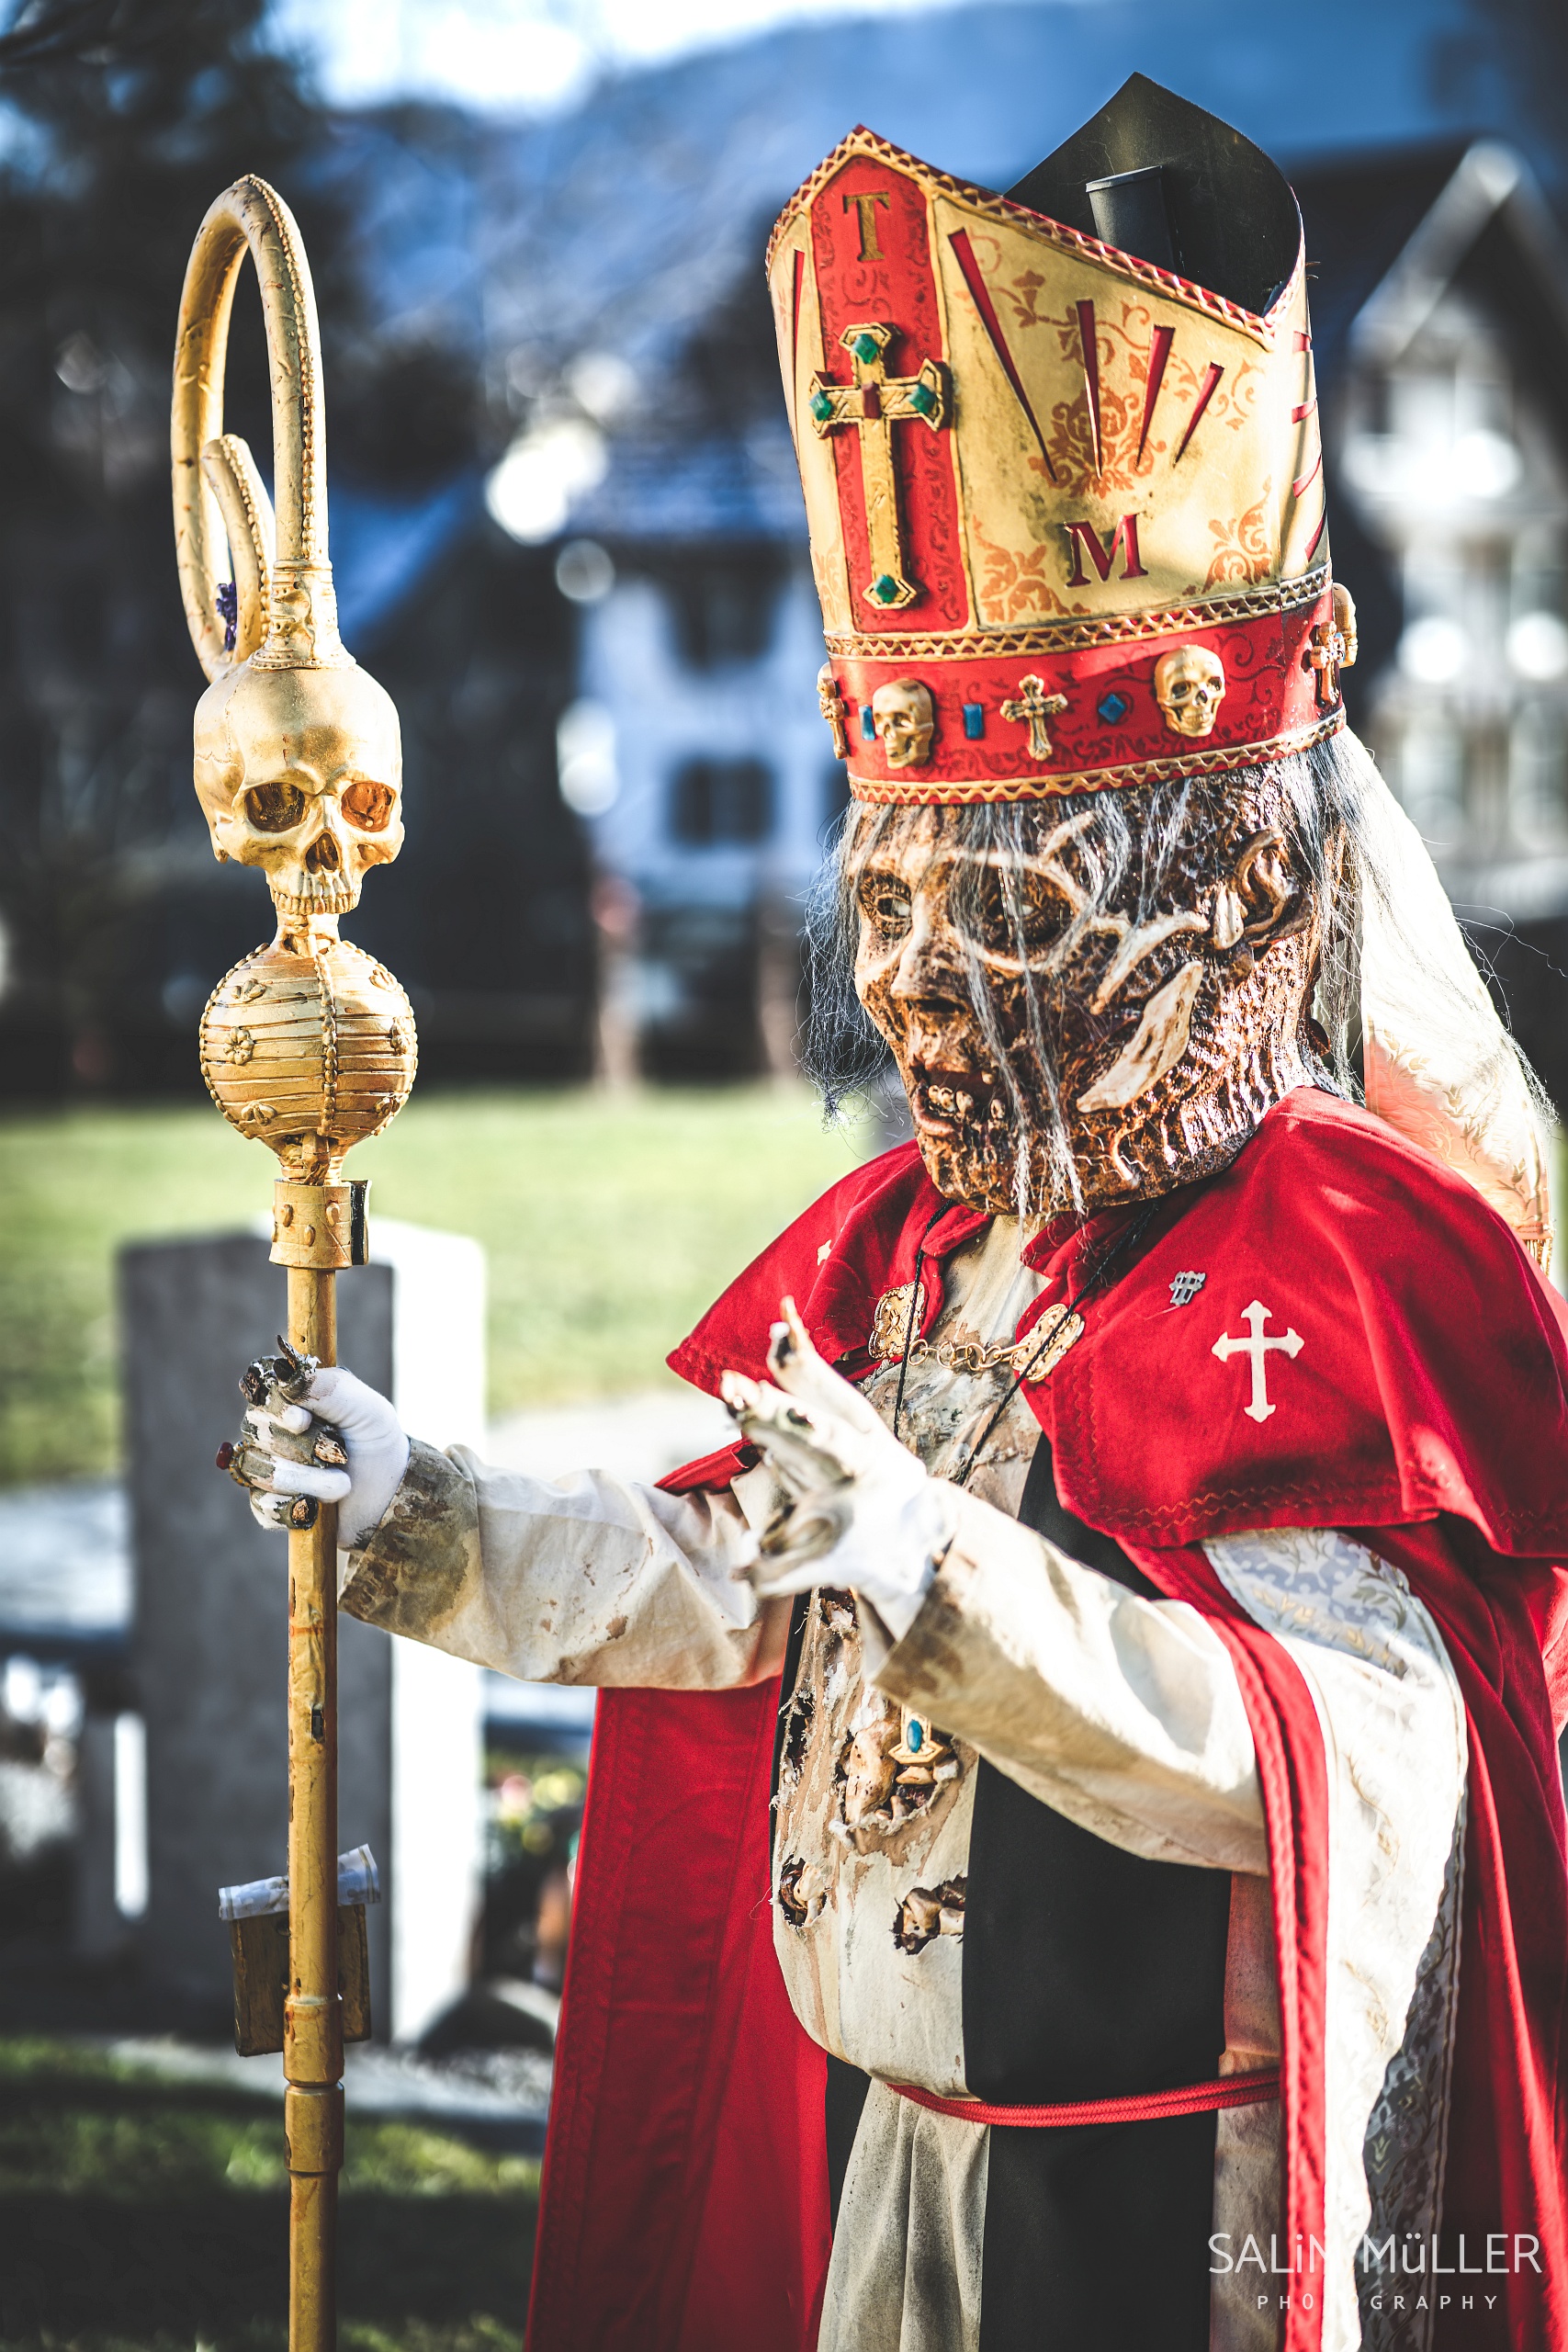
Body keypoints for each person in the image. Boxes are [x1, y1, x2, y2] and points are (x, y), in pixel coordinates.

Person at [220, 77, 1568, 2352]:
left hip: (1170, 2213)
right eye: (895, 913)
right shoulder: (916, 1262)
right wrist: (419, 1510)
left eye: (1003, 912)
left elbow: (1313, 1759)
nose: (925, 990)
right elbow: (724, 1585)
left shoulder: (1338, 1266)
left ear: (1224, 897)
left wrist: (937, 1570)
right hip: (884, 2179)